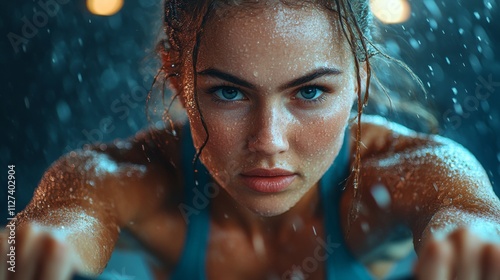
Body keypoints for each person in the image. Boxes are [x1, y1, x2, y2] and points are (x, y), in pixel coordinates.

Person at [2, 0, 500, 279]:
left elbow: (468, 213)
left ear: (360, 84)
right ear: (178, 82)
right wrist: (35, 247)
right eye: (228, 92)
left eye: (309, 91)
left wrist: (475, 236)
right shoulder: (127, 178)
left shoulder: (402, 172)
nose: (269, 141)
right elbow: (66, 218)